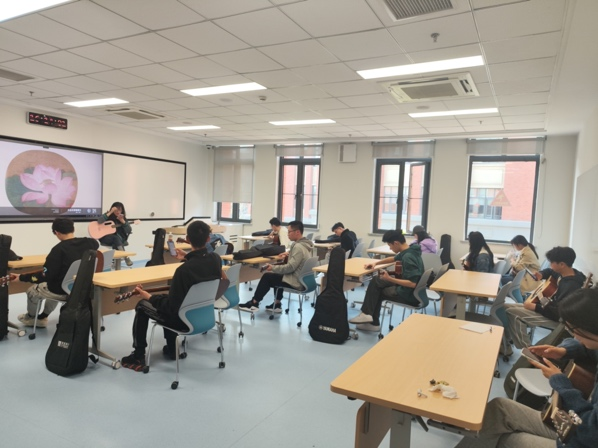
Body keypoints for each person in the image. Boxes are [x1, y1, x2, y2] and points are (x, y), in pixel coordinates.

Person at [453, 287, 598, 448]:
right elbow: (589, 348)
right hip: (575, 427)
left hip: (582, 437)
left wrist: (561, 383)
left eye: (575, 330)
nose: (574, 336)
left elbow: (589, 433)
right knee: (499, 408)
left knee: (509, 440)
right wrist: (564, 350)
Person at [120, 221, 224, 371]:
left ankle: (138, 355)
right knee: (166, 297)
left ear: (187, 239)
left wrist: (148, 296)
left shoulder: (183, 271)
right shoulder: (216, 260)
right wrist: (187, 257)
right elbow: (201, 264)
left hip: (183, 321)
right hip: (205, 316)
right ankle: (171, 349)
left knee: (142, 305)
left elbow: (171, 307)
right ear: (208, 238)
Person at [14, 218, 99, 328]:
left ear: (56, 232)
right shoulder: (90, 242)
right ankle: (43, 316)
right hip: (81, 287)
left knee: (33, 291)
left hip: (62, 290)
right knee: (54, 282)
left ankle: (31, 318)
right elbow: (96, 245)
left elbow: (45, 276)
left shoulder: (58, 250)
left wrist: (22, 277)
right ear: (73, 229)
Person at [504, 246, 586, 350]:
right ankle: (506, 343)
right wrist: (541, 274)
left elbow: (558, 313)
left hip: (557, 320)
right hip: (548, 308)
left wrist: (535, 307)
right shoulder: (565, 273)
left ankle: (528, 349)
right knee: (505, 306)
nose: (550, 265)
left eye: (552, 262)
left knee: (512, 313)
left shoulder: (571, 286)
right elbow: (550, 271)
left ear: (562, 264)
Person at [349, 230, 424, 332]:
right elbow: (394, 259)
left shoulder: (408, 257)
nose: (390, 248)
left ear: (396, 243)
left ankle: (372, 322)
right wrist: (376, 263)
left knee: (378, 291)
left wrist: (389, 279)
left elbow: (412, 283)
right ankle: (367, 315)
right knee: (377, 280)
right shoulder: (410, 250)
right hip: (412, 290)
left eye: (390, 245)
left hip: (408, 294)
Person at [239, 220, 313, 313]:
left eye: (289, 232)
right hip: (302, 280)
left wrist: (273, 268)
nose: (288, 234)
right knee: (277, 275)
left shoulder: (298, 247)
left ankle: (254, 303)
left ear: (297, 232)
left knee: (267, 276)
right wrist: (289, 253)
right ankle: (277, 304)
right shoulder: (305, 244)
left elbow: (290, 268)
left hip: (296, 282)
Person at [501, 235, 541, 302]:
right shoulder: (525, 250)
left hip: (527, 279)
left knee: (500, 280)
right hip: (522, 276)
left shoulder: (527, 253)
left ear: (519, 245)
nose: (514, 247)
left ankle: (500, 299)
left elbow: (519, 267)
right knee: (500, 278)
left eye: (514, 245)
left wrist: (512, 261)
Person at [98, 201, 133, 266]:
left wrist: (123, 221)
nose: (118, 212)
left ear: (122, 210)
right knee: (115, 238)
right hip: (106, 238)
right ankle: (126, 257)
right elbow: (99, 221)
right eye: (116, 210)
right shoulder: (107, 216)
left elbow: (129, 230)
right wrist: (110, 212)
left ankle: (116, 262)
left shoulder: (123, 218)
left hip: (118, 240)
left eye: (120, 210)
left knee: (116, 240)